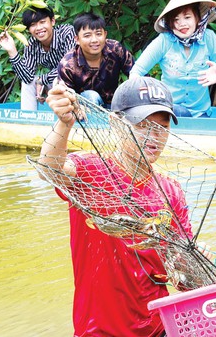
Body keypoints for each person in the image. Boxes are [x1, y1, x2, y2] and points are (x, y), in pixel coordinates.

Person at [38, 76, 191, 336]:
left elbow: (181, 274)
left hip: (158, 327)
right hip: (98, 329)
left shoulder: (171, 192)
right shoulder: (89, 172)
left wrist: (193, 261)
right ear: (115, 123)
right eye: (143, 125)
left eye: (162, 127)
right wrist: (64, 124)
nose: (154, 137)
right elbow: (49, 169)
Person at [130, 0, 216, 117]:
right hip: (169, 113)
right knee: (180, 112)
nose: (181, 24)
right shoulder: (164, 41)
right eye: (175, 19)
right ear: (170, 23)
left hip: (201, 114)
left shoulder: (209, 38)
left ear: (197, 18)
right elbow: (136, 71)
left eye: (187, 17)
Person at [0, 5, 75, 110]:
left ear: (52, 21)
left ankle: (63, 121)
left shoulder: (67, 33)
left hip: (77, 82)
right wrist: (12, 52)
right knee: (28, 83)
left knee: (58, 80)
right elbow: (27, 78)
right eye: (33, 25)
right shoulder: (31, 45)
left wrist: (41, 80)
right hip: (56, 84)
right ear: (29, 29)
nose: (38, 28)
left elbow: (69, 67)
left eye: (42, 22)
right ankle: (28, 119)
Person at [57, 13, 135, 108]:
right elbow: (64, 96)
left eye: (98, 34)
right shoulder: (68, 64)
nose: (94, 40)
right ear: (77, 39)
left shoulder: (115, 49)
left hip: (115, 104)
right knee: (92, 96)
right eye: (87, 36)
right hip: (84, 109)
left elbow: (136, 73)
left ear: (105, 34)